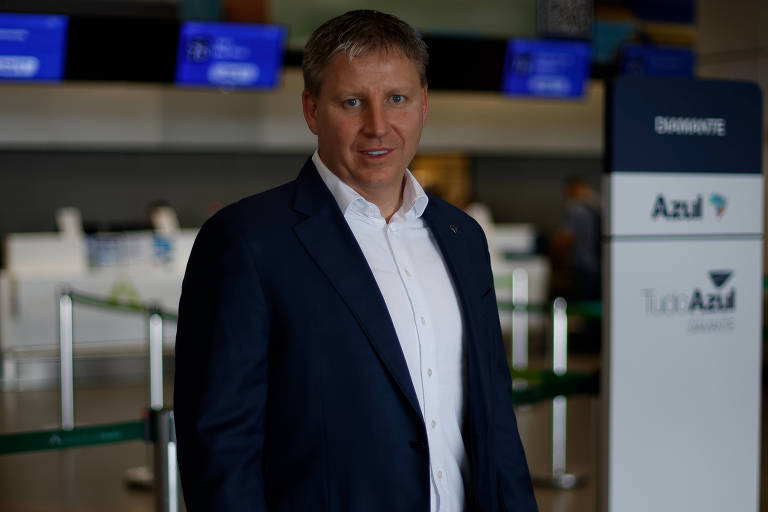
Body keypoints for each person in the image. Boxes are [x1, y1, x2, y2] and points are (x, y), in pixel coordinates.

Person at [174, 10, 537, 512]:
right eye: (352, 102)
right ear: (311, 110)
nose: (378, 125)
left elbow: (494, 420)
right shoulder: (246, 243)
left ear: (424, 104)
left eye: (397, 99)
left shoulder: (462, 237)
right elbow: (219, 447)